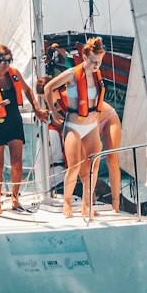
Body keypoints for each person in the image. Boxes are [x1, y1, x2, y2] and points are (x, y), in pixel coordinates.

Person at [0, 43, 48, 216]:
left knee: (17, 163)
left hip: (14, 121)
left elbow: (28, 91)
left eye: (9, 60)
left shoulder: (14, 74)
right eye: (2, 61)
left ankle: (15, 197)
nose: (6, 64)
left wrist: (36, 108)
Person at [44, 35, 107, 219]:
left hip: (91, 126)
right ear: (85, 57)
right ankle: (67, 202)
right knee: (74, 166)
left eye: (99, 62)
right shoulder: (72, 73)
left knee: (92, 166)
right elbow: (48, 88)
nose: (96, 66)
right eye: (93, 62)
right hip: (73, 125)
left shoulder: (97, 74)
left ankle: (86, 205)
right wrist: (54, 113)